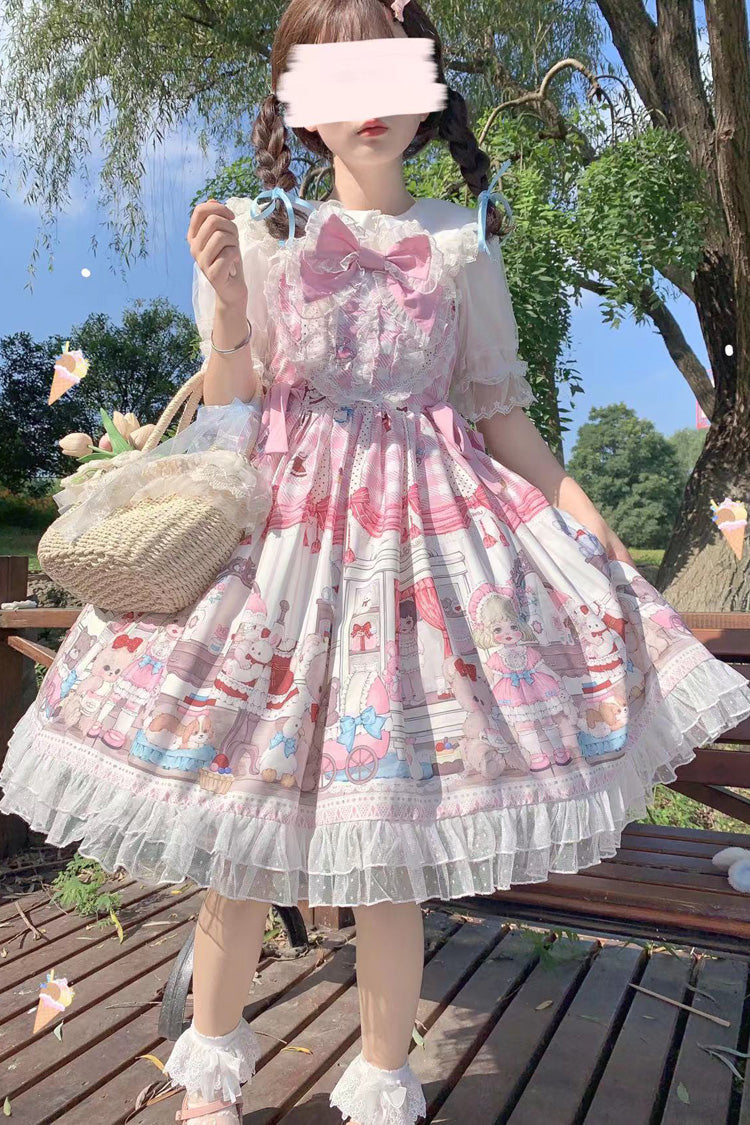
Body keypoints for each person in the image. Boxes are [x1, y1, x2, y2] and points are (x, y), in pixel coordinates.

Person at [3, 1, 750, 1123]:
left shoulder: (459, 241)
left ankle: (384, 1087)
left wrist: (588, 530)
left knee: (391, 839)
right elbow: (232, 411)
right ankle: (209, 1079)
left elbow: (503, 417)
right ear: (300, 104)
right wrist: (229, 311)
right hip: (285, 560)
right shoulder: (262, 231)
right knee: (241, 828)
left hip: (425, 563)